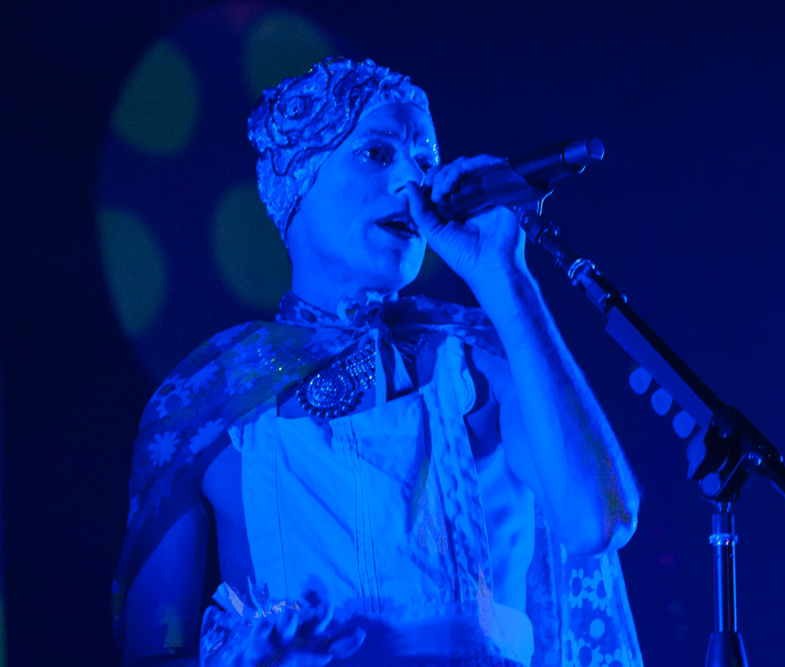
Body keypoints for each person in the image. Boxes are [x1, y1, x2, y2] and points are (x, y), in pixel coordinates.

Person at [114, 57, 643, 667]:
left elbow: (597, 522)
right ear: (301, 181)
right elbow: (153, 653)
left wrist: (508, 281)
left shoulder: (481, 360)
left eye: (424, 157)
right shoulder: (208, 398)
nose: (411, 180)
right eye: (376, 153)